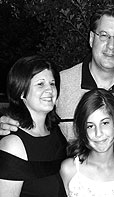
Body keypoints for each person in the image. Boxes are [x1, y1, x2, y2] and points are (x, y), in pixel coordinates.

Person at [0, 3, 114, 140]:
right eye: (104, 36)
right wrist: (7, 123)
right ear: (91, 39)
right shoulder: (59, 86)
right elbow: (27, 118)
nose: (111, 46)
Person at [0, 56, 67, 197]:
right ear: (21, 92)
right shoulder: (13, 144)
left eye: (52, 83)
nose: (50, 90)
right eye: (40, 84)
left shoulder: (55, 133)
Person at [60, 88, 114, 196]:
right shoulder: (69, 169)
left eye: (105, 123)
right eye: (90, 126)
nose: (98, 133)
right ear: (83, 130)